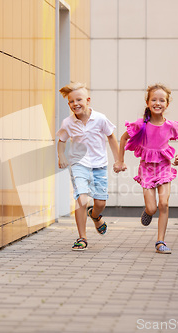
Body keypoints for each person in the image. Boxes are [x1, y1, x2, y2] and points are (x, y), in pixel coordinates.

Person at [114, 83, 178, 254]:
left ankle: (160, 242)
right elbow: (123, 138)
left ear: (167, 104)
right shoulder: (141, 124)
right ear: (147, 102)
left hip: (164, 169)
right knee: (153, 208)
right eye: (154, 99)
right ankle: (148, 211)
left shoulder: (170, 125)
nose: (158, 103)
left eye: (162, 100)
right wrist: (120, 160)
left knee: (164, 204)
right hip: (146, 170)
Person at [56, 82, 119, 251]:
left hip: (99, 166)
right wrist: (61, 155)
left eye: (79, 100)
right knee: (81, 199)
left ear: (88, 100)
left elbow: (112, 138)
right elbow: (61, 141)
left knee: (100, 202)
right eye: (71, 101)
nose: (75, 104)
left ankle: (95, 215)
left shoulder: (100, 118)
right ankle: (82, 238)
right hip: (79, 164)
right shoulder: (68, 123)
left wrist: (118, 160)